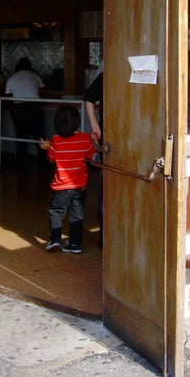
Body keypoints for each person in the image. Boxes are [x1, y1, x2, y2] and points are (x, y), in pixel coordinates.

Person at [40, 105, 96, 253]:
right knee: (76, 215)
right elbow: (91, 156)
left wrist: (48, 147)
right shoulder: (85, 138)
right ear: (77, 121)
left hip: (61, 187)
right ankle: (75, 245)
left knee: (56, 212)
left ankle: (55, 240)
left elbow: (52, 159)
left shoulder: (56, 140)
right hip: (79, 187)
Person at [4, 57, 45, 160]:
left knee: (21, 136)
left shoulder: (12, 78)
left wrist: (12, 111)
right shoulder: (35, 76)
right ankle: (43, 160)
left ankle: (22, 160)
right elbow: (43, 91)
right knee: (39, 136)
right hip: (35, 107)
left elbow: (9, 97)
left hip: (19, 109)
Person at [83, 70, 104, 247]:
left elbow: (88, 97)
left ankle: (104, 236)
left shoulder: (108, 74)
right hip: (112, 139)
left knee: (107, 186)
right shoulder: (141, 69)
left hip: (108, 136)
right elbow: (89, 97)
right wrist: (96, 125)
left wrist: (95, 124)